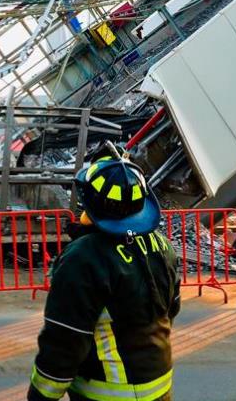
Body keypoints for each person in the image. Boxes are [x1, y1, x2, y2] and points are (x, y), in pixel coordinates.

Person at [28, 155, 180, 401]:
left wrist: (41, 395)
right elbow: (170, 309)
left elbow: (65, 339)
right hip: (159, 384)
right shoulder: (163, 246)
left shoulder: (84, 257)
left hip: (109, 390)